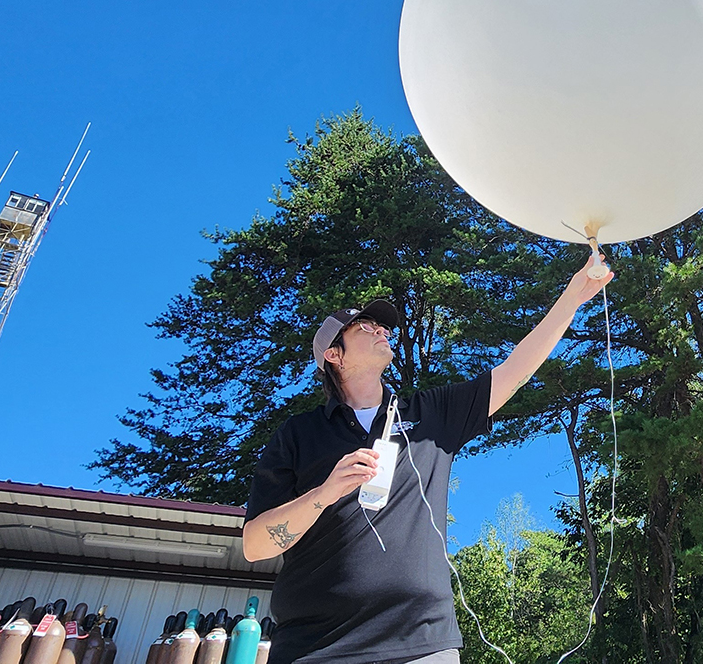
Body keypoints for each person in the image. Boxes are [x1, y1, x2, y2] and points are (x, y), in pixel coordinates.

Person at [241, 255, 613, 664]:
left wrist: (573, 297)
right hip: (315, 648)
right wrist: (323, 494)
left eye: (384, 326)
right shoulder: (297, 435)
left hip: (422, 643)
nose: (381, 330)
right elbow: (255, 545)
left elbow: (516, 371)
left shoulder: (430, 414)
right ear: (334, 355)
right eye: (365, 326)